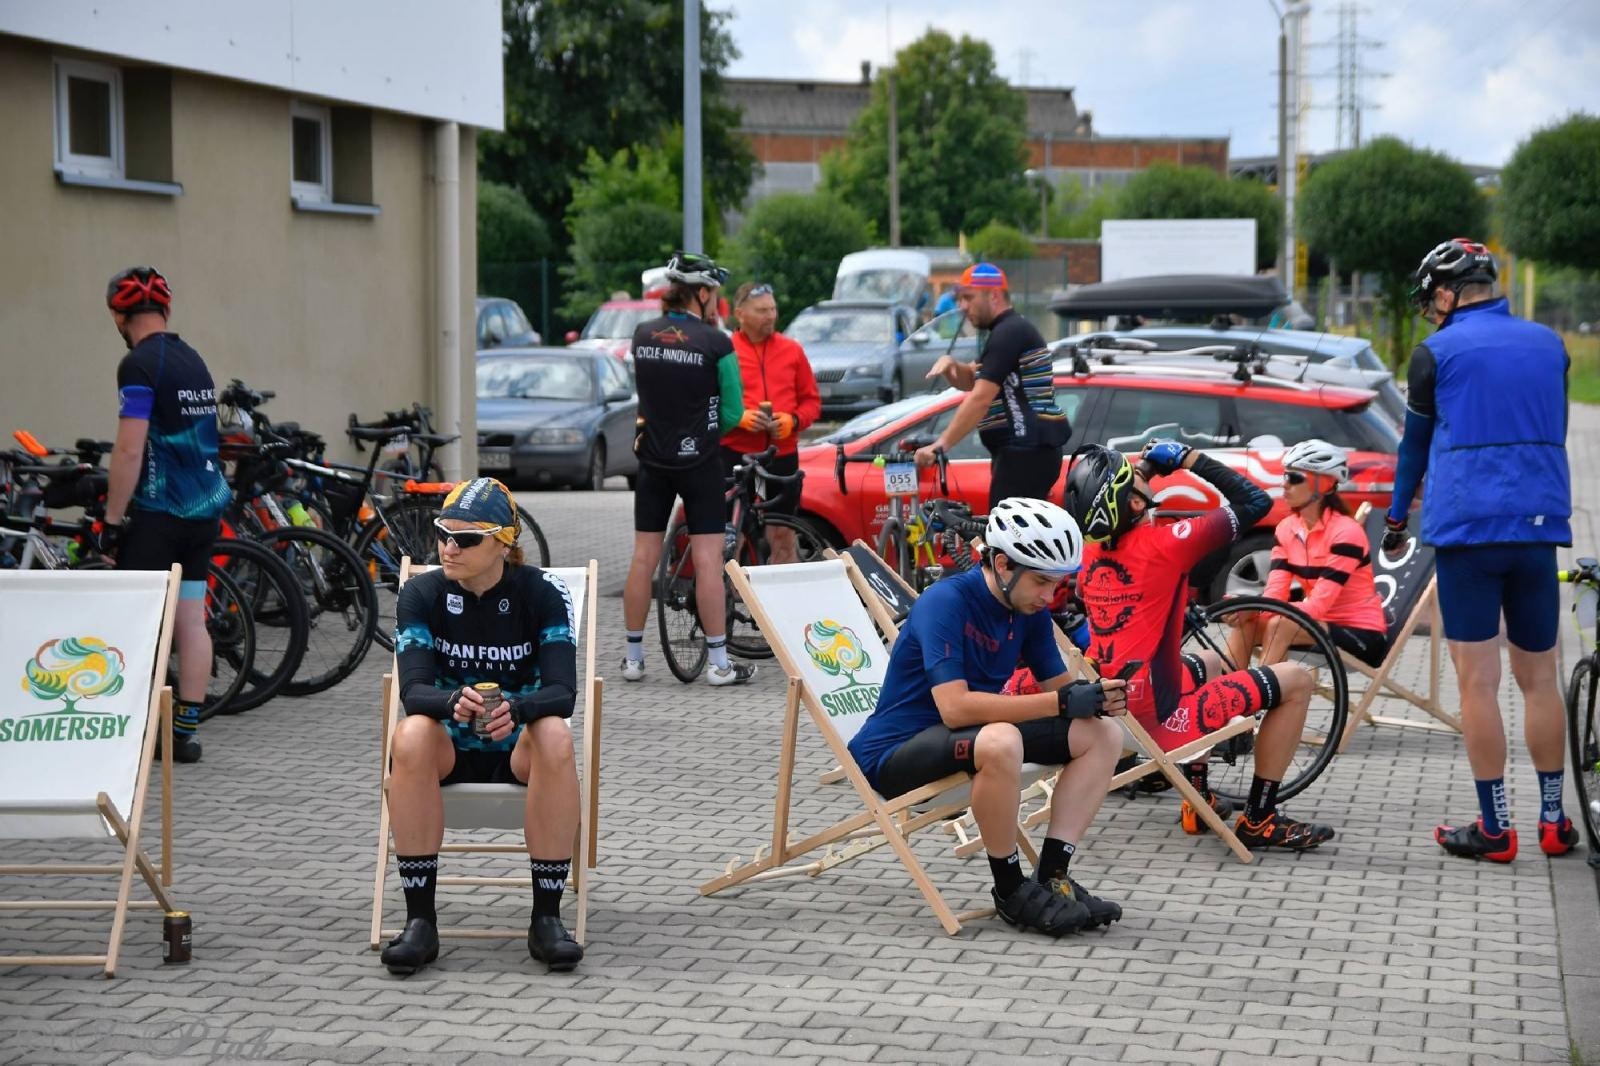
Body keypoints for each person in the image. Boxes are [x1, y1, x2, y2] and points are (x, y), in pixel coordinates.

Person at [847, 498, 1129, 937]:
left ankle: (1052, 877)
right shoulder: (945, 601)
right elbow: (955, 707)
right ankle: (1011, 889)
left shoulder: (1027, 609)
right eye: (1041, 581)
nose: (1049, 596)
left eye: (1056, 583)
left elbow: (1061, 691)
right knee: (1001, 740)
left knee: (1104, 734)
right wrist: (1061, 703)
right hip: (895, 753)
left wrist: (1097, 699)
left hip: (965, 738)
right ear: (1002, 564)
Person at [1385, 237, 1575, 862]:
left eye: (1431, 297)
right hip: (1537, 526)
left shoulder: (1434, 353)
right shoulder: (1550, 344)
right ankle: (1554, 821)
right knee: (1540, 679)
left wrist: (1395, 519)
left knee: (1479, 683)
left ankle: (1495, 829)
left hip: (1467, 530)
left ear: (1446, 293)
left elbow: (1414, 450)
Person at [1063, 441, 1337, 849]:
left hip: (1111, 703)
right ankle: (1260, 819)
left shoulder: (1089, 551)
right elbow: (1255, 502)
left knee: (1208, 659)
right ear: (1134, 503)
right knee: (1296, 679)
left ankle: (1198, 799)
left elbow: (1123, 507)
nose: (1141, 474)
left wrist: (1143, 475)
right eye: (1133, 476)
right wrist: (1188, 459)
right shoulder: (1167, 544)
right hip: (1155, 717)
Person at [382, 478, 584, 975]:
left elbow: (563, 692)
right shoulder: (420, 593)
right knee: (410, 733)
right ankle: (420, 922)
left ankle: (546, 920)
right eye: (442, 534)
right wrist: (453, 701)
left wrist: (517, 709)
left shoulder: (543, 592)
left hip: (518, 751)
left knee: (555, 732)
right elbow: (413, 692)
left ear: (504, 544)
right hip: (448, 750)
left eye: (466, 538)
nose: (449, 548)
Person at [92, 267, 231, 764]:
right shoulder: (193, 360)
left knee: (141, 624)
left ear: (118, 315)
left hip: (159, 515)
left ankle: (138, 732)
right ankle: (184, 735)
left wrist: (111, 522)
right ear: (166, 309)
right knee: (190, 620)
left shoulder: (137, 365)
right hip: (203, 512)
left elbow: (130, 449)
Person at [620, 252, 754, 686]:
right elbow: (733, 411)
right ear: (701, 293)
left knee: (644, 557)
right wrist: (705, 428)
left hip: (652, 459)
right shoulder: (717, 342)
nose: (716, 301)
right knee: (707, 559)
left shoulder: (642, 334)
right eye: (714, 294)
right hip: (700, 462)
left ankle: (633, 659)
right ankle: (718, 664)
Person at [914, 263, 1070, 509]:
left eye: (968, 298)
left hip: (1025, 450)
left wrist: (940, 445)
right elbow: (971, 379)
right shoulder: (1007, 331)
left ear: (994, 295)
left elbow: (980, 398)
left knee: (1006, 530)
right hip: (1024, 452)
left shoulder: (1009, 332)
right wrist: (951, 365)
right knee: (1007, 528)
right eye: (960, 299)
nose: (962, 306)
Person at [1227, 440, 1388, 670]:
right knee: (1247, 623)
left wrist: (1255, 607)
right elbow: (1275, 594)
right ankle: (1226, 690)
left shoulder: (1346, 533)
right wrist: (1249, 609)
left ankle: (1261, 689)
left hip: (1361, 634)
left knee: (1280, 624)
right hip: (1314, 625)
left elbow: (1317, 606)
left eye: (1294, 478)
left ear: (1324, 485)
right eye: (1285, 476)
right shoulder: (1286, 529)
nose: (1284, 485)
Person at [719, 281, 821, 564]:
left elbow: (812, 402)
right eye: (761, 310)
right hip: (736, 453)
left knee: (783, 536)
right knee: (731, 537)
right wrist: (738, 418)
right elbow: (708, 402)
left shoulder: (792, 350)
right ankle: (727, 588)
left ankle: (781, 590)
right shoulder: (725, 351)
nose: (770, 316)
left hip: (781, 453)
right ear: (740, 314)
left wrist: (793, 420)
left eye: (773, 309)